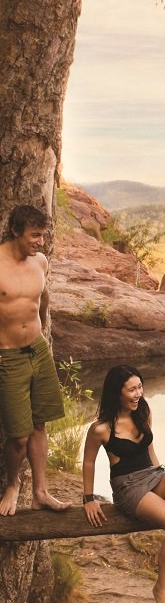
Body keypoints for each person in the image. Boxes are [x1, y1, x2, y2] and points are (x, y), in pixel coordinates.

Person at [82, 365, 165, 603]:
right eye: (132, 389)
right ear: (117, 393)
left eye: (140, 386)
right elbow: (89, 462)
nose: (139, 393)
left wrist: (162, 475)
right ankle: (161, 589)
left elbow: (149, 447)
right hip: (128, 487)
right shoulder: (101, 429)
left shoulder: (143, 411)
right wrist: (89, 499)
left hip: (152, 475)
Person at [0, 204, 72, 515]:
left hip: (38, 350)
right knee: (18, 436)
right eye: (34, 235)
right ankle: (13, 483)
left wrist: (41, 334)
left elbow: (42, 301)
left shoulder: (40, 262)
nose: (40, 242)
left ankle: (41, 492)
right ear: (17, 231)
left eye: (43, 235)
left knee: (40, 423)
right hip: (8, 356)